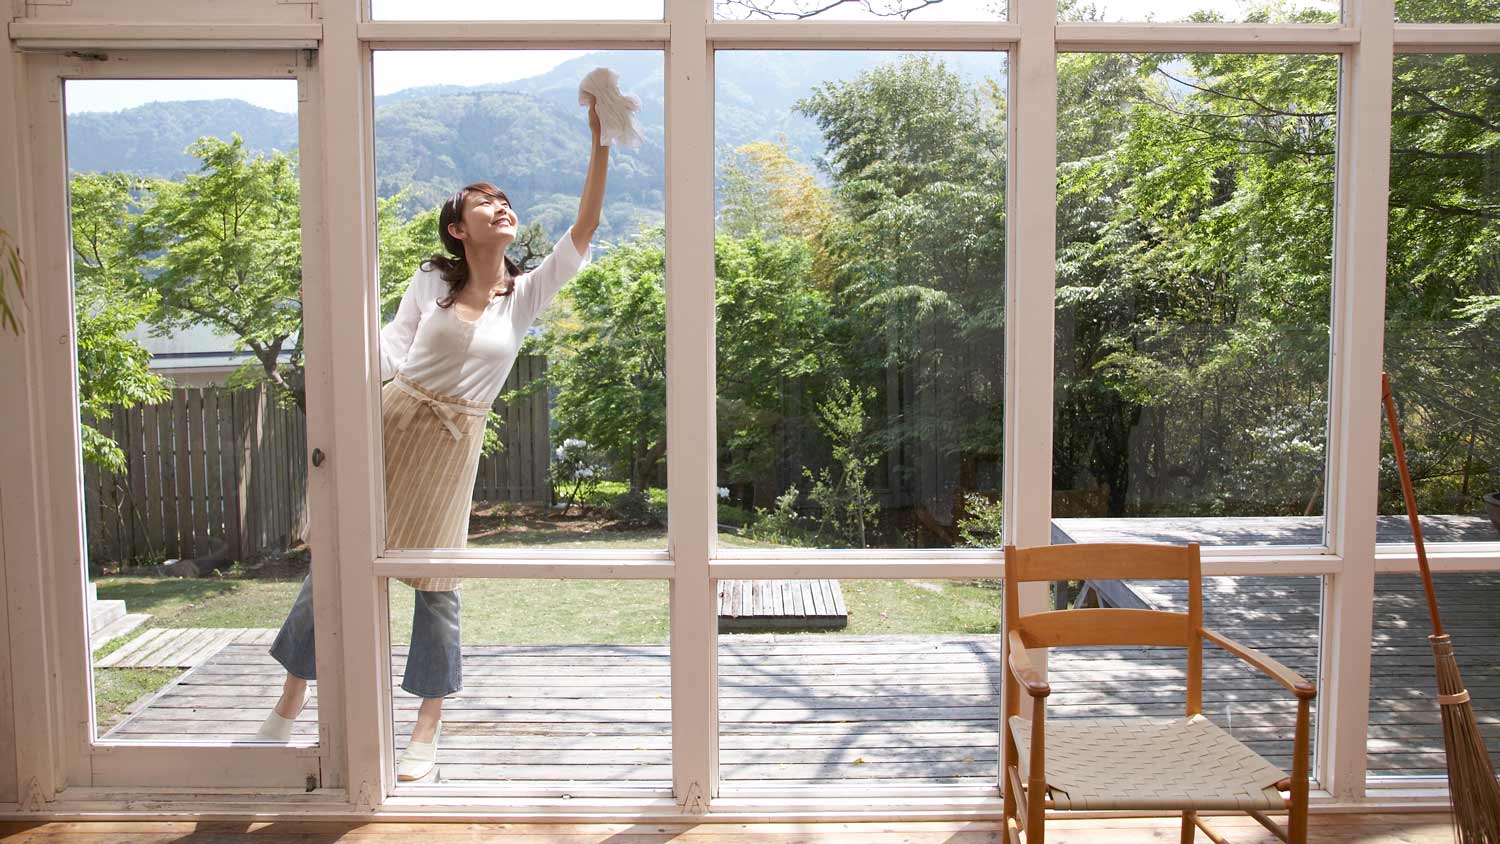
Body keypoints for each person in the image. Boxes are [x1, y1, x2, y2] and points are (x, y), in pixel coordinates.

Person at [254, 94, 610, 783]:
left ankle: (426, 725)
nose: (501, 207)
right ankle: (291, 700)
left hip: (453, 447)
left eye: (506, 201)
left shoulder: (528, 293)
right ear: (458, 227)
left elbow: (586, 228)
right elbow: (391, 346)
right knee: (334, 561)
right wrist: (344, 408)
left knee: (438, 585)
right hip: (392, 421)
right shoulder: (430, 280)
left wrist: (598, 142)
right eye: (485, 202)